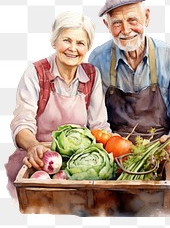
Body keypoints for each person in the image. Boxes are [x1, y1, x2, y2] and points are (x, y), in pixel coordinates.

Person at [5, 11, 111, 198]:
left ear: (87, 48)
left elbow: (99, 126)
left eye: (80, 43)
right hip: (37, 159)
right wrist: (33, 147)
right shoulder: (36, 72)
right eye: (67, 40)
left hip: (75, 163)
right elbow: (22, 123)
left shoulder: (92, 75)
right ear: (54, 41)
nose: (73, 48)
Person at [89, 0, 170, 160]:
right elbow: (94, 119)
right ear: (107, 26)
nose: (126, 30)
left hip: (157, 152)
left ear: (146, 17)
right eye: (117, 23)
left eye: (132, 20)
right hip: (114, 153)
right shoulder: (98, 59)